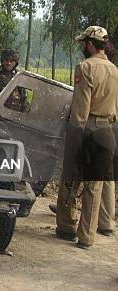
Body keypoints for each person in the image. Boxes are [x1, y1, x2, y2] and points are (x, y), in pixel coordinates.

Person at [55, 26, 117, 249]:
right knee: (95, 186)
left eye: (84, 43)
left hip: (87, 128)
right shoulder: (114, 69)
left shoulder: (85, 67)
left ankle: (66, 227)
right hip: (108, 131)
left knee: (70, 179)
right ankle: (87, 238)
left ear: (90, 44)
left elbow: (81, 109)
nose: (82, 47)